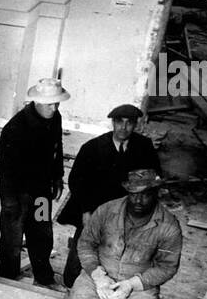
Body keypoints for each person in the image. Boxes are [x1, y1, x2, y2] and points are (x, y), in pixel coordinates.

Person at [63, 168, 182, 299]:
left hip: (137, 283)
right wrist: (98, 276)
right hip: (101, 275)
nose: (138, 200)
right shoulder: (106, 210)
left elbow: (167, 266)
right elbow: (86, 244)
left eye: (146, 194)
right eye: (133, 194)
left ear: (156, 193)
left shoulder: (168, 225)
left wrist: (131, 284)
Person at [58, 104, 160, 287]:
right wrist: (86, 210)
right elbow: (76, 181)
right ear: (113, 123)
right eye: (120, 122)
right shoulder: (93, 147)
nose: (124, 127)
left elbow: (153, 178)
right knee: (84, 244)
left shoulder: (144, 147)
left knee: (120, 250)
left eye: (129, 123)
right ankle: (70, 282)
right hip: (95, 208)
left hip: (126, 210)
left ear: (136, 125)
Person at [0, 78, 69, 286]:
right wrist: (9, 202)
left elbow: (57, 148)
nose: (54, 109)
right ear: (36, 102)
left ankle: (43, 275)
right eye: (49, 104)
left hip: (41, 191)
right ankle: (6, 278)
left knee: (42, 232)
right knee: (13, 236)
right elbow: (6, 169)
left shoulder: (55, 118)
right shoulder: (15, 128)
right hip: (16, 190)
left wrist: (58, 177)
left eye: (57, 103)